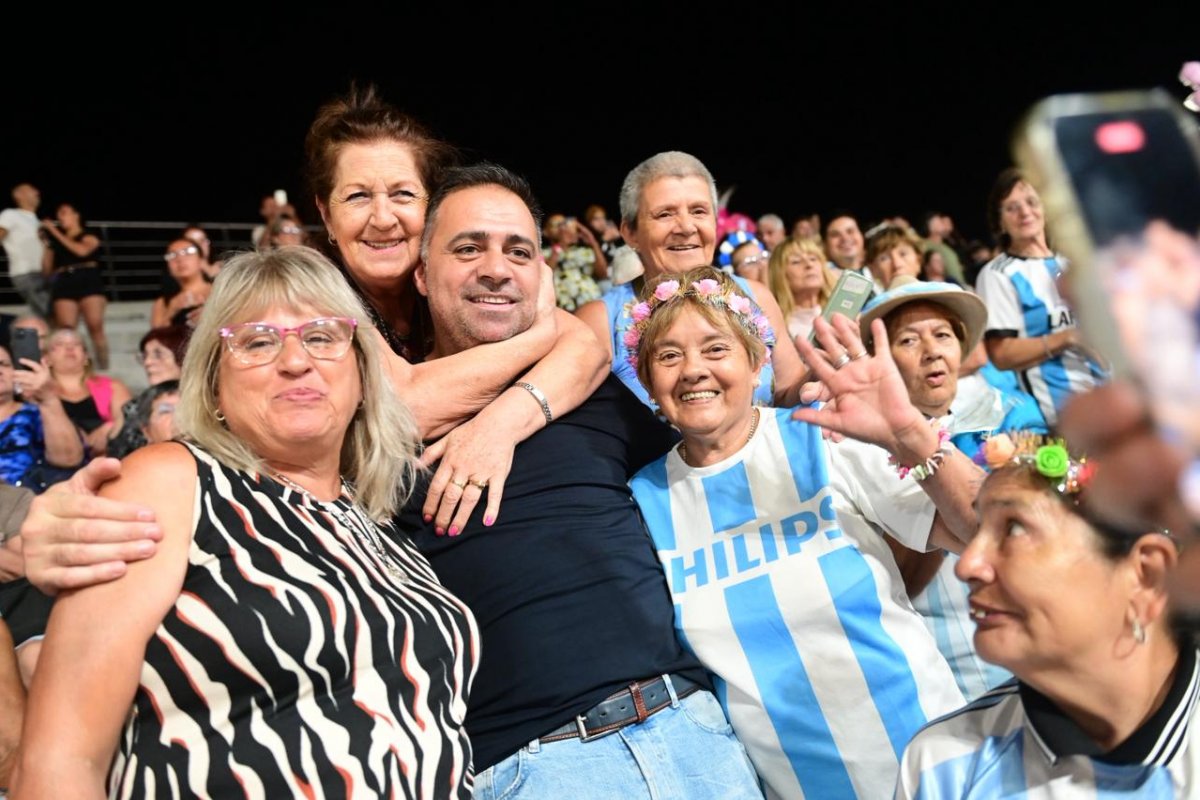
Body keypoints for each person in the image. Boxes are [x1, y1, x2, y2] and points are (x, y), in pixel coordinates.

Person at [17, 164, 766, 800]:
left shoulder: (583, 391)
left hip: (697, 733)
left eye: (518, 250)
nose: (496, 268)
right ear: (422, 274)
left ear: (542, 274)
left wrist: (827, 421)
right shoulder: (354, 453)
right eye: (468, 248)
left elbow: (722, 454)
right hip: (533, 770)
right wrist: (38, 530)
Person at [10, 246, 480, 799]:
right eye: (257, 342)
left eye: (322, 337)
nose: (295, 361)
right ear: (213, 385)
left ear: (361, 376)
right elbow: (61, 760)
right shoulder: (171, 483)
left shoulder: (378, 521)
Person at [626, 266, 967, 798]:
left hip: (938, 768)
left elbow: (979, 530)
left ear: (756, 361)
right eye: (669, 356)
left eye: (716, 349)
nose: (693, 370)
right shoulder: (643, 499)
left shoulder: (821, 435)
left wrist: (912, 436)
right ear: (648, 382)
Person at [304, 83, 607, 528]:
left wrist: (503, 421)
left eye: (402, 194)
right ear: (326, 215)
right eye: (357, 196)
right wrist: (541, 336)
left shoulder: (451, 279)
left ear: (431, 209)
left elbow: (586, 347)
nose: (383, 218)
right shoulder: (310, 292)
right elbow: (404, 408)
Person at [896, 436, 1197, 798]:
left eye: (1015, 529)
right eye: (981, 528)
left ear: (1145, 575)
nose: (968, 565)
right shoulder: (943, 764)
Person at [846, 275, 1047, 700]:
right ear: (881, 361)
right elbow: (896, 582)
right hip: (945, 670)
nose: (932, 350)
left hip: (1037, 646)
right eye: (908, 340)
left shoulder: (1007, 417)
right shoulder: (860, 451)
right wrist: (932, 476)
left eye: (942, 335)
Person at [576, 150, 807, 410]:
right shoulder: (600, 320)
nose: (686, 227)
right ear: (630, 233)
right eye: (665, 214)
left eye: (698, 211)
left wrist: (823, 376)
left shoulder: (755, 296)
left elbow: (788, 391)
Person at [975, 167, 1107, 425]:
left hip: (1114, 396)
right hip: (1064, 415)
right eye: (1012, 208)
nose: (1025, 212)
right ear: (1000, 222)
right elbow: (1001, 355)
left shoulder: (1072, 263)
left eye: (1032, 202)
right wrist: (1068, 338)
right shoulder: (998, 274)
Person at [0, 340, 84, 492]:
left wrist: (48, 399)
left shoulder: (36, 414)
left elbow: (69, 460)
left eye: (4, 364)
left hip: (25, 499)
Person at [44, 327, 132, 460]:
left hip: (107, 459)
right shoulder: (38, 391)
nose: (69, 348)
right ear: (46, 358)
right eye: (60, 344)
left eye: (76, 344)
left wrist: (110, 428)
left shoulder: (113, 387)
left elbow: (129, 419)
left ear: (86, 357)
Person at [106, 324, 190, 459]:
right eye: (145, 356)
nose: (148, 362)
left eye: (158, 354)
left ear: (183, 355)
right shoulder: (133, 407)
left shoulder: (204, 402)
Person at [41, 202, 108, 368]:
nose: (60, 217)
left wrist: (54, 231)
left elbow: (82, 251)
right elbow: (47, 271)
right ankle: (72, 367)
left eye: (64, 212)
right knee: (66, 329)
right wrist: (47, 243)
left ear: (76, 215)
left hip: (88, 279)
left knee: (95, 325)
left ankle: (103, 367)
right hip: (64, 281)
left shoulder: (89, 235)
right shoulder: (56, 240)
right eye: (58, 214)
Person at [769, 235, 836, 341]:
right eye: (796, 261)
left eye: (813, 259)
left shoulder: (841, 313)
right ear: (780, 275)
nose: (809, 264)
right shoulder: (774, 328)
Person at [0, 183, 50, 321]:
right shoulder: (10, 214)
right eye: (31, 190)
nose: (37, 192)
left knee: (47, 315)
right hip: (27, 274)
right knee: (50, 314)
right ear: (19, 196)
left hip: (44, 275)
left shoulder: (36, 221)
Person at [543, 212, 608, 311]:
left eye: (564, 224)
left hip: (592, 301)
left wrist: (593, 242)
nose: (562, 229)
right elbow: (546, 274)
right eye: (556, 225)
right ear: (546, 232)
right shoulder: (544, 253)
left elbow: (603, 274)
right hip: (566, 308)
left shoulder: (582, 251)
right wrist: (561, 244)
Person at [150, 238, 212, 328]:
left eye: (187, 252)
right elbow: (156, 334)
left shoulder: (220, 291)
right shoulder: (162, 303)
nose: (180, 259)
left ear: (201, 260)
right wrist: (171, 312)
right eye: (172, 255)